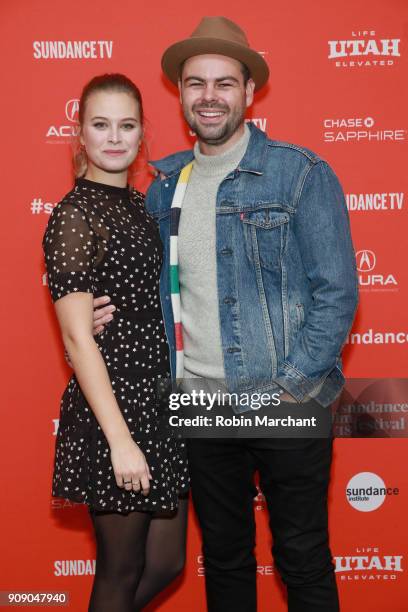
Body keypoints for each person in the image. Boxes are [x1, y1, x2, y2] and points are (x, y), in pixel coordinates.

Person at [93, 17, 359, 612]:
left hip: (285, 396)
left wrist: (292, 388)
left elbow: (337, 292)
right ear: (181, 94)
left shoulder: (300, 173)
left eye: (223, 84)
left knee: (303, 558)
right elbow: (160, 291)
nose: (209, 97)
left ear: (249, 92)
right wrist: (97, 316)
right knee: (227, 560)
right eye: (195, 84)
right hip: (201, 402)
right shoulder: (163, 186)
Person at [43, 73, 189, 612]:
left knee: (167, 563)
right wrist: (120, 440)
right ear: (79, 133)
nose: (114, 137)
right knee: (120, 570)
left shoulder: (141, 206)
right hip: (115, 408)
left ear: (142, 133)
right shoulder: (75, 215)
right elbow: (80, 339)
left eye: (126, 125)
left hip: (160, 402)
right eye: (100, 125)